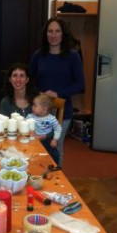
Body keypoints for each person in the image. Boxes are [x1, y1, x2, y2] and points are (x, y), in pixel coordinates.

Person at [29, 18, 85, 165]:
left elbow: (80, 84)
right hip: (39, 111)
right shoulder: (38, 56)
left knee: (55, 146)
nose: (53, 35)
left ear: (63, 34)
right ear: (45, 34)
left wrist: (58, 94)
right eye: (50, 31)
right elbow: (31, 82)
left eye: (57, 31)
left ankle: (56, 176)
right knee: (37, 144)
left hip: (62, 112)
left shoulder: (73, 56)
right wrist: (40, 93)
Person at [26, 94, 63, 165]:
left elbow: (58, 128)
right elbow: (24, 125)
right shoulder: (30, 116)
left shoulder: (51, 119)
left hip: (48, 141)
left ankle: (55, 168)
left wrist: (55, 139)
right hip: (34, 140)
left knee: (54, 155)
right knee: (32, 156)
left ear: (44, 110)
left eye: (35, 105)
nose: (32, 107)